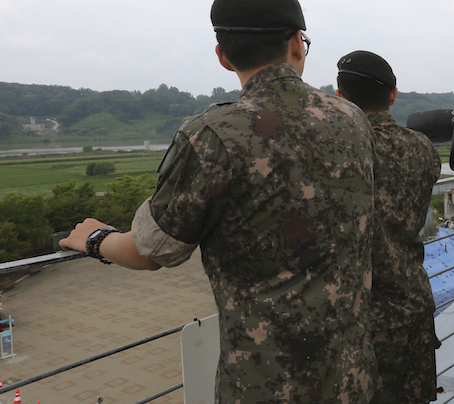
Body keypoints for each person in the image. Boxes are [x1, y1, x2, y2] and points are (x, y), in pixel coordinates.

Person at [59, 0, 377, 402]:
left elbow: (151, 250)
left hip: (265, 386)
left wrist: (93, 238)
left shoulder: (215, 133)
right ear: (297, 44)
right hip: (354, 376)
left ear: (223, 56)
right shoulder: (352, 120)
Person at [335, 50, 442, 404]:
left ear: (340, 96)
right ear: (393, 95)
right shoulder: (423, 148)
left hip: (364, 316)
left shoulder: (342, 150)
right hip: (414, 301)